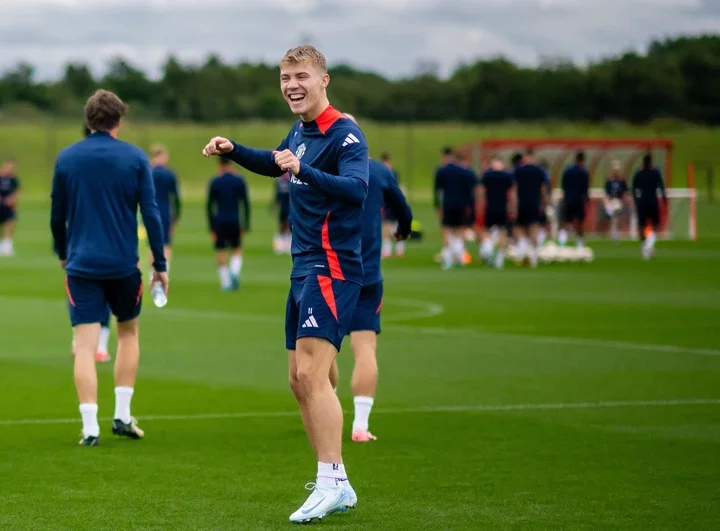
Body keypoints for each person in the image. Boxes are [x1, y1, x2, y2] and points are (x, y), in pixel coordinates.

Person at [201, 45, 367, 523]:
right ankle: (337, 480)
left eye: (300, 76)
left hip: (331, 267)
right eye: (284, 77)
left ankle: (331, 479)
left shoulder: (345, 133)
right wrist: (235, 150)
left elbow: (357, 190)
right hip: (301, 268)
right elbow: (277, 162)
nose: (291, 85)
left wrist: (305, 170)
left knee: (313, 376)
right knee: (300, 379)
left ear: (323, 80)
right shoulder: (299, 130)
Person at [50, 89, 168, 446]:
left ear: (88, 120)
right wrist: (159, 263)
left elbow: (58, 216)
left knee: (84, 346)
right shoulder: (134, 157)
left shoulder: (67, 158)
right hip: (123, 265)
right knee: (128, 334)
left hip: (82, 264)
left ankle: (90, 427)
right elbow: (151, 212)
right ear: (120, 120)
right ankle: (121, 414)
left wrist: (62, 252)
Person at [328, 115, 412, 441]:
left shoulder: (324, 169)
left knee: (324, 349)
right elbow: (403, 211)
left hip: (331, 272)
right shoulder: (379, 171)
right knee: (365, 349)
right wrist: (402, 231)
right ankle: (360, 426)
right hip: (368, 273)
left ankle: (328, 409)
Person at [206, 157, 251, 291]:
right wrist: (246, 223)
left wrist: (211, 225)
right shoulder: (239, 180)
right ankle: (234, 272)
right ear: (231, 163)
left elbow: (209, 205)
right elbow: (246, 203)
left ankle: (225, 282)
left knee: (220, 250)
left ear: (220, 164)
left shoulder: (215, 181)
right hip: (235, 219)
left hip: (220, 220)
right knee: (236, 249)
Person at [434, 150, 478, 270]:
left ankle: (448, 260)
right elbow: (471, 191)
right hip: (462, 205)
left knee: (447, 231)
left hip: (448, 204)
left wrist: (437, 206)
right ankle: (459, 257)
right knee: (459, 231)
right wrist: (470, 206)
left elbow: (437, 191)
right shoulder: (466, 173)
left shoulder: (442, 171)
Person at [512, 149, 548, 267]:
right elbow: (543, 190)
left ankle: (522, 251)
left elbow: (514, 190)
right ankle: (533, 257)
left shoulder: (518, 170)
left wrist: (513, 206)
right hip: (534, 204)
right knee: (534, 229)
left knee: (518, 228)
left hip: (522, 203)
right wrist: (544, 204)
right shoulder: (539, 171)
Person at [149, 144, 181, 276]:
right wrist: (176, 216)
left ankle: (152, 275)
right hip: (166, 211)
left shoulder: (148, 172)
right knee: (166, 244)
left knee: (151, 244)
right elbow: (176, 198)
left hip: (150, 211)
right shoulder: (170, 174)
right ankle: (163, 274)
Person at [478, 158, 515, 269]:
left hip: (489, 207)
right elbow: (512, 194)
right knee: (502, 231)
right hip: (503, 207)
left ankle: (487, 248)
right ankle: (500, 258)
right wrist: (512, 208)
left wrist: (480, 207)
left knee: (485, 230)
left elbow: (481, 192)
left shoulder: (486, 176)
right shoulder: (507, 176)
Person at [632, 153, 667, 259]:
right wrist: (664, 199)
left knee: (641, 226)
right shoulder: (655, 172)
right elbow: (661, 186)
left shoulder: (639, 173)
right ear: (651, 162)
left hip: (642, 202)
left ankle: (645, 249)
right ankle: (649, 244)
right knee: (655, 225)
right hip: (652, 201)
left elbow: (633, 188)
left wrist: (636, 200)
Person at [559, 151, 590, 248]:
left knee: (564, 220)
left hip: (568, 199)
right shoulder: (584, 172)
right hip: (579, 200)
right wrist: (587, 200)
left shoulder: (567, 171)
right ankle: (579, 242)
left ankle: (562, 241)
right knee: (580, 221)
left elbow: (563, 185)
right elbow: (585, 188)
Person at [379, 152, 406, 258]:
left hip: (387, 201)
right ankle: (399, 249)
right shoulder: (394, 172)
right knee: (396, 225)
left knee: (387, 225)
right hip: (396, 200)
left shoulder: (381, 171)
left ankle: (387, 250)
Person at [602, 160, 629, 241]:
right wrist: (606, 203)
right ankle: (614, 232)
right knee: (613, 216)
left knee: (615, 214)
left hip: (618, 201)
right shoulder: (609, 181)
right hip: (611, 201)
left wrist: (624, 201)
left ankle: (614, 232)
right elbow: (606, 194)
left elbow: (625, 192)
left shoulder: (622, 181)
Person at [0, 157, 20, 257]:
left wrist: (12, 199)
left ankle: (7, 245)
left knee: (10, 223)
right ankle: (2, 244)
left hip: (9, 205)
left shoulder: (13, 179)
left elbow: (16, 191)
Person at [272, 172, 292, 254]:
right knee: (281, 225)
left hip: (290, 207)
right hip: (283, 207)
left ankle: (287, 245)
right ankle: (278, 245)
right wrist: (275, 206)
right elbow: (277, 195)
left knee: (288, 225)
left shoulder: (290, 180)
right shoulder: (279, 181)